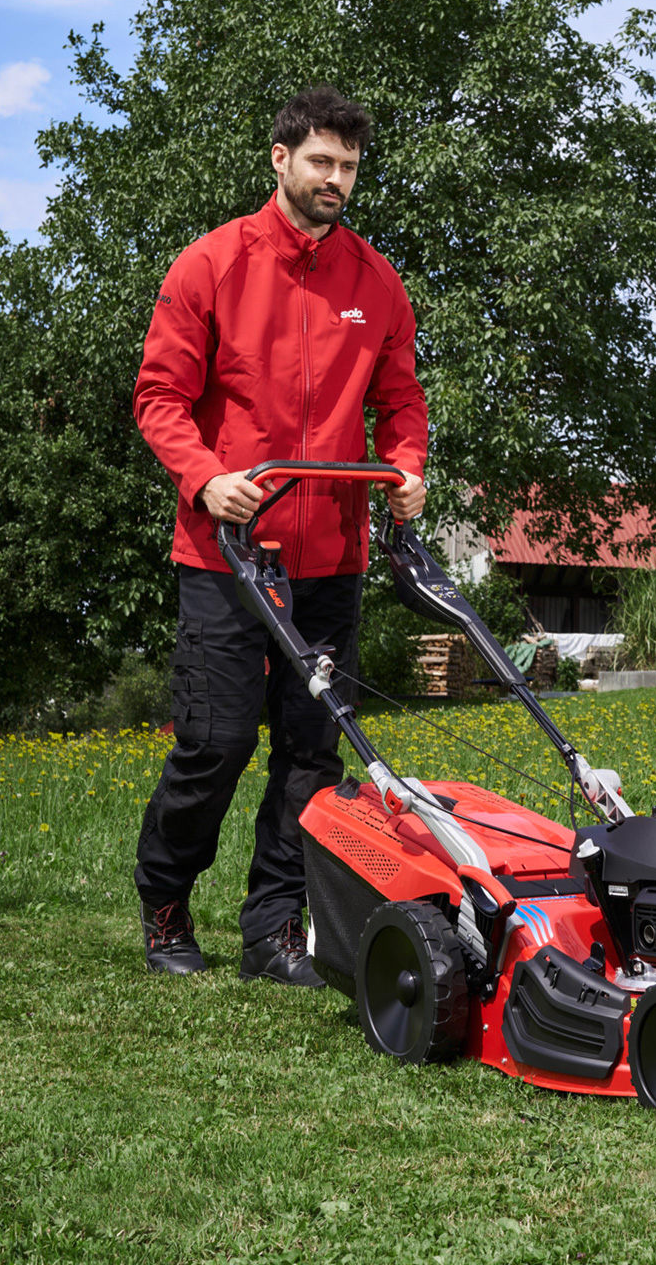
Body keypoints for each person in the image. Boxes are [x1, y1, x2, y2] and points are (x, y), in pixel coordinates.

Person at [132, 87, 428, 984]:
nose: (336, 179)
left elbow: (401, 401)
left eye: (349, 166)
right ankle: (166, 900)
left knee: (311, 751)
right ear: (281, 159)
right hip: (226, 554)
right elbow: (159, 397)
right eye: (321, 162)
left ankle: (273, 930)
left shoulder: (376, 281)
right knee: (215, 742)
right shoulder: (212, 264)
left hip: (331, 557)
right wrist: (204, 477)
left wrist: (407, 467)